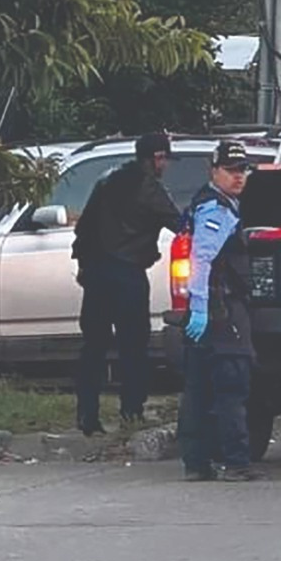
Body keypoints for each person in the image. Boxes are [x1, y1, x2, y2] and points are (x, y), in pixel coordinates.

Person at [72, 132, 181, 435]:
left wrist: (84, 265)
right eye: (164, 159)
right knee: (134, 347)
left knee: (93, 347)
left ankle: (87, 416)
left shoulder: (107, 181)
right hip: (127, 275)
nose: (166, 165)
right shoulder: (149, 187)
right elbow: (179, 222)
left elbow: (84, 228)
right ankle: (131, 411)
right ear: (156, 158)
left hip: (96, 272)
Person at [177, 140, 262, 482]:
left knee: (198, 389)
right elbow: (202, 259)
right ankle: (236, 461)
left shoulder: (214, 203)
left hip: (208, 310)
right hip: (220, 311)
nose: (238, 177)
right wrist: (199, 307)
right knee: (231, 386)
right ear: (214, 172)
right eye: (231, 170)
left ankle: (197, 463)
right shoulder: (216, 209)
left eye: (242, 170)